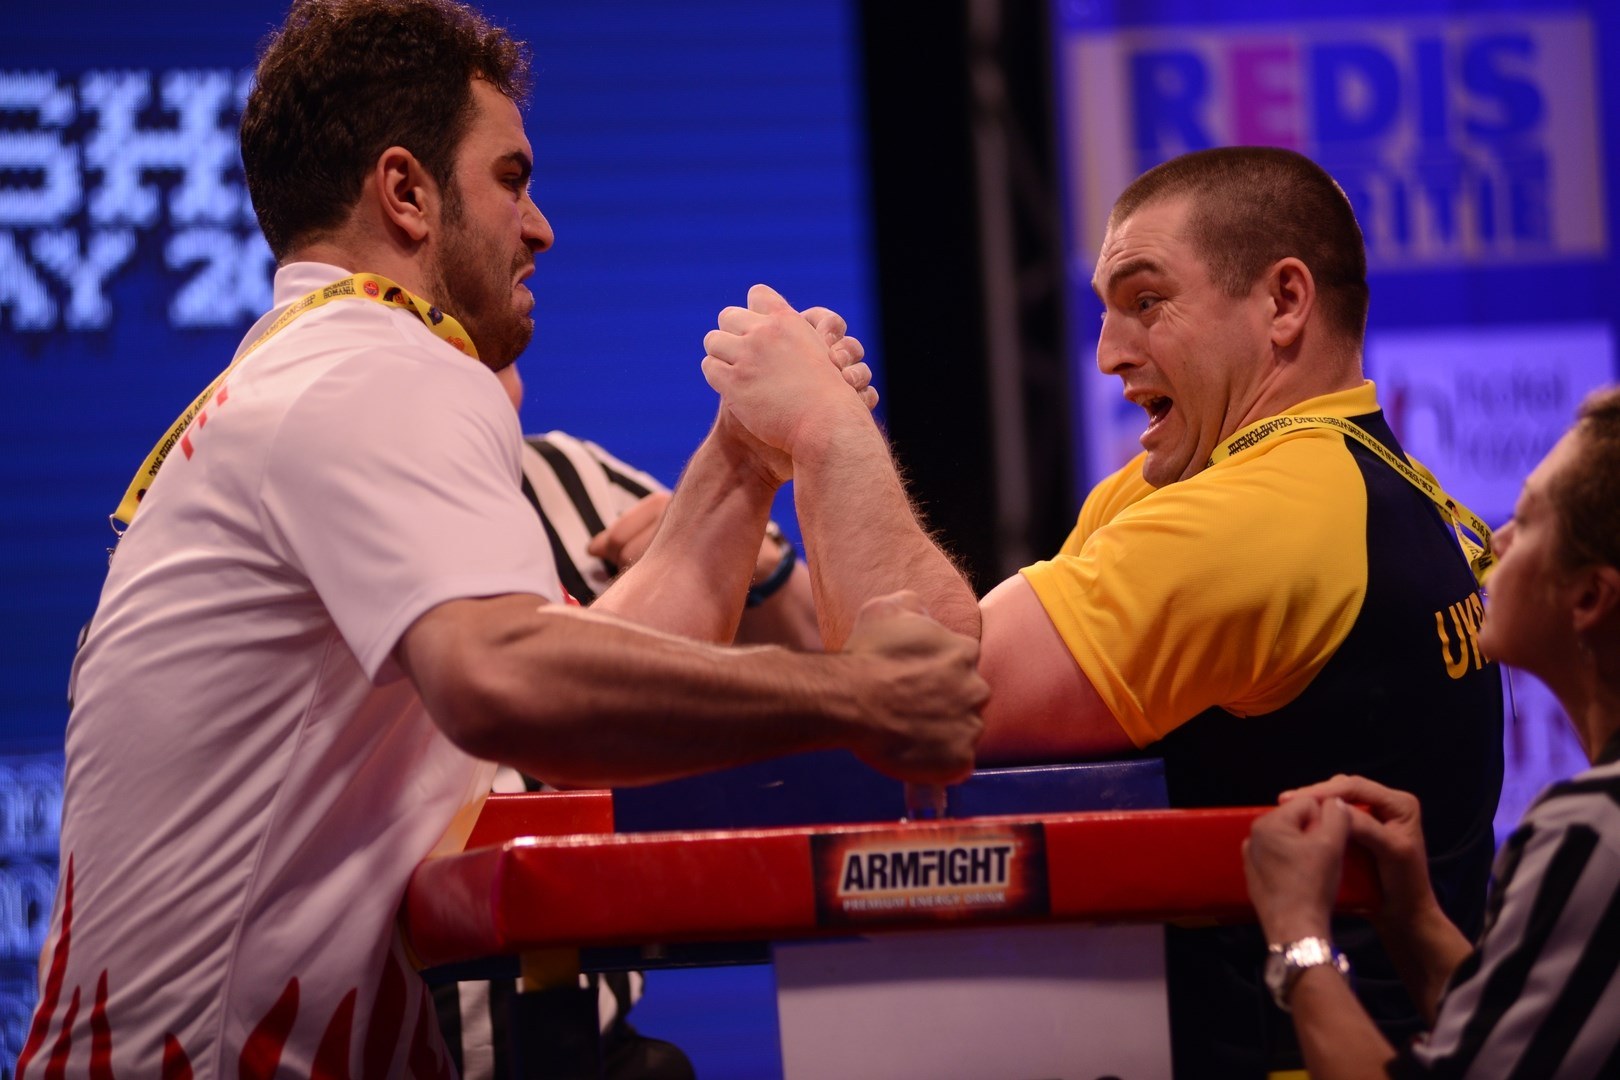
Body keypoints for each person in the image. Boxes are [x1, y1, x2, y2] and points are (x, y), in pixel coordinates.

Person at [17, 1, 987, 1075]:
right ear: (406, 194)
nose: (541, 226)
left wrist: (743, 460)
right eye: (512, 179)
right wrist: (859, 694)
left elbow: (540, 745)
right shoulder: (383, 363)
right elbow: (508, 682)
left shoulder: (306, 372)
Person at [701, 146, 1503, 1075]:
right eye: (1105, 310)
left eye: (1147, 301)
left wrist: (827, 430)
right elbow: (910, 660)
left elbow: (920, 693)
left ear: (1285, 304)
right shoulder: (1315, 475)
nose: (1109, 354)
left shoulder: (1269, 516)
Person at [434, 364, 821, 1080]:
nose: (501, 382)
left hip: (594, 1044)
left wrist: (754, 557)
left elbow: (830, 649)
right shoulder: (321, 493)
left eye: (503, 358)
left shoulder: (570, 477)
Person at [1244, 386, 1620, 1078]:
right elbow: (1502, 1048)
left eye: (1530, 522)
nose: (1497, 537)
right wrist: (1412, 915)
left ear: (1590, 597)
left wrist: (1298, 935)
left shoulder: (1594, 834)